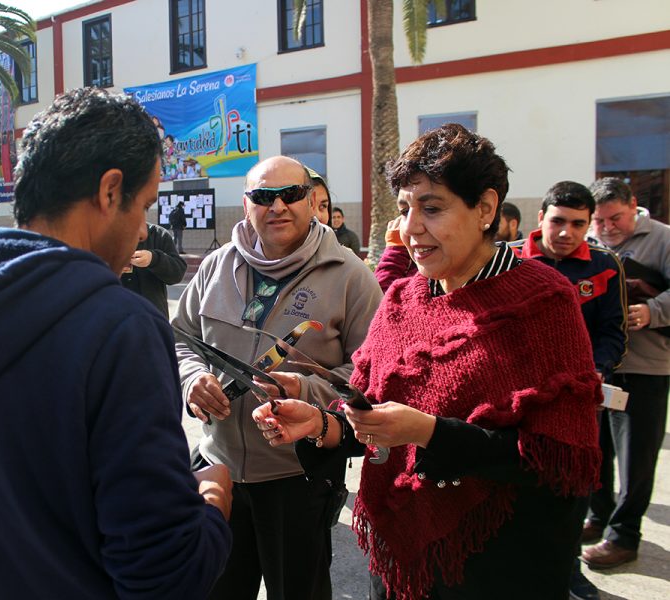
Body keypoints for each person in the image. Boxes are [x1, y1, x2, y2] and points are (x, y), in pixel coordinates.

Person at [0, 88, 232, 599]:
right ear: (109, 191)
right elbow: (163, 574)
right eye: (144, 206)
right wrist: (214, 498)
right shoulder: (119, 328)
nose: (143, 229)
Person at [253, 124, 602, 600]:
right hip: (404, 566)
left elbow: (560, 459)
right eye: (403, 209)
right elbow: (370, 416)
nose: (410, 228)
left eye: (431, 208)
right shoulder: (400, 299)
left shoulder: (543, 300)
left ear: (485, 208)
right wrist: (319, 423)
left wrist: (429, 433)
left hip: (502, 562)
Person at [174, 155, 382, 600]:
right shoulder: (215, 266)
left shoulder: (352, 277)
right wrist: (192, 378)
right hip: (219, 470)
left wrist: (306, 389)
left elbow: (371, 373)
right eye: (264, 197)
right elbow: (179, 338)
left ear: (311, 201)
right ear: (247, 204)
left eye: (290, 195)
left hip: (297, 479)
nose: (278, 206)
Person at [507, 180, 627, 600]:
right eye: (558, 221)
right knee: (513, 484)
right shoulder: (508, 258)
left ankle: (567, 569)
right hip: (514, 396)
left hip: (577, 402)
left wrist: (596, 368)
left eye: (579, 223)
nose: (567, 232)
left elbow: (613, 331)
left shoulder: (604, 264)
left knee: (571, 489)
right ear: (541, 218)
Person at [583, 177, 670, 571]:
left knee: (636, 458)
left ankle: (624, 536)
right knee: (596, 451)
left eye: (614, 218)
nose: (607, 227)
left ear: (634, 205)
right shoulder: (589, 247)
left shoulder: (663, 240)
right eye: (599, 221)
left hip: (646, 368)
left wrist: (653, 313)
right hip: (599, 370)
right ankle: (597, 517)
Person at [121, 222, 187, 318]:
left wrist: (154, 259)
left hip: (152, 318)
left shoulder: (158, 234)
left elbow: (177, 273)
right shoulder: (100, 234)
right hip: (111, 320)